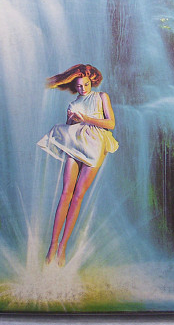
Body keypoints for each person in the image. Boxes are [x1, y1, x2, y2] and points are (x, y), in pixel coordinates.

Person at [37, 64, 118, 267]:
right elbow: (70, 127)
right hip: (75, 144)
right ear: (74, 86)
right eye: (79, 86)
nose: (83, 89)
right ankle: (52, 245)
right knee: (66, 193)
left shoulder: (101, 97)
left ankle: (63, 246)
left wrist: (87, 119)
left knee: (78, 196)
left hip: (95, 146)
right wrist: (72, 120)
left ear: (92, 82)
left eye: (86, 85)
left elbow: (111, 124)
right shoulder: (73, 103)